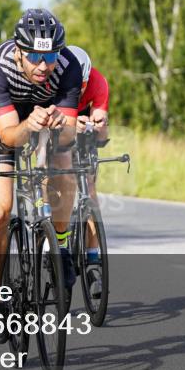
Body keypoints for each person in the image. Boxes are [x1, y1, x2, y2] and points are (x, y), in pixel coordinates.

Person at [0, 9, 82, 343]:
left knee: (64, 171)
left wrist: (58, 124)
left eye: (49, 56)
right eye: (34, 56)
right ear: (19, 51)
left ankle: (60, 245)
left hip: (47, 121)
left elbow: (66, 137)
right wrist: (28, 125)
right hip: (4, 124)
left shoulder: (68, 67)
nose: (42, 65)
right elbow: (8, 136)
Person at [67, 45, 110, 298]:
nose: (81, 88)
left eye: (83, 83)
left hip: (83, 119)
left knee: (90, 188)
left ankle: (92, 259)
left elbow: (102, 133)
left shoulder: (97, 81)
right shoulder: (54, 80)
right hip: (59, 115)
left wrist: (98, 125)